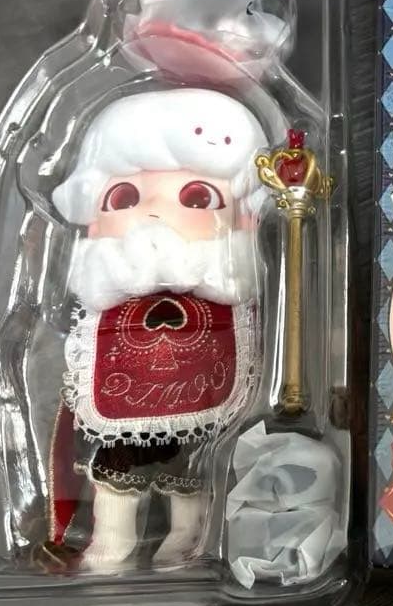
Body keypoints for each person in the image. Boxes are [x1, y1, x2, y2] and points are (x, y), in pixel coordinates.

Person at [47, 87, 267, 570]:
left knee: (191, 473)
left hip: (204, 413)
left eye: (196, 197)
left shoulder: (225, 294)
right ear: (94, 224)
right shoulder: (105, 300)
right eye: (124, 197)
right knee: (115, 477)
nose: (153, 214)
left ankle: (188, 542)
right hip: (121, 410)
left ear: (244, 221)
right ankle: (110, 543)